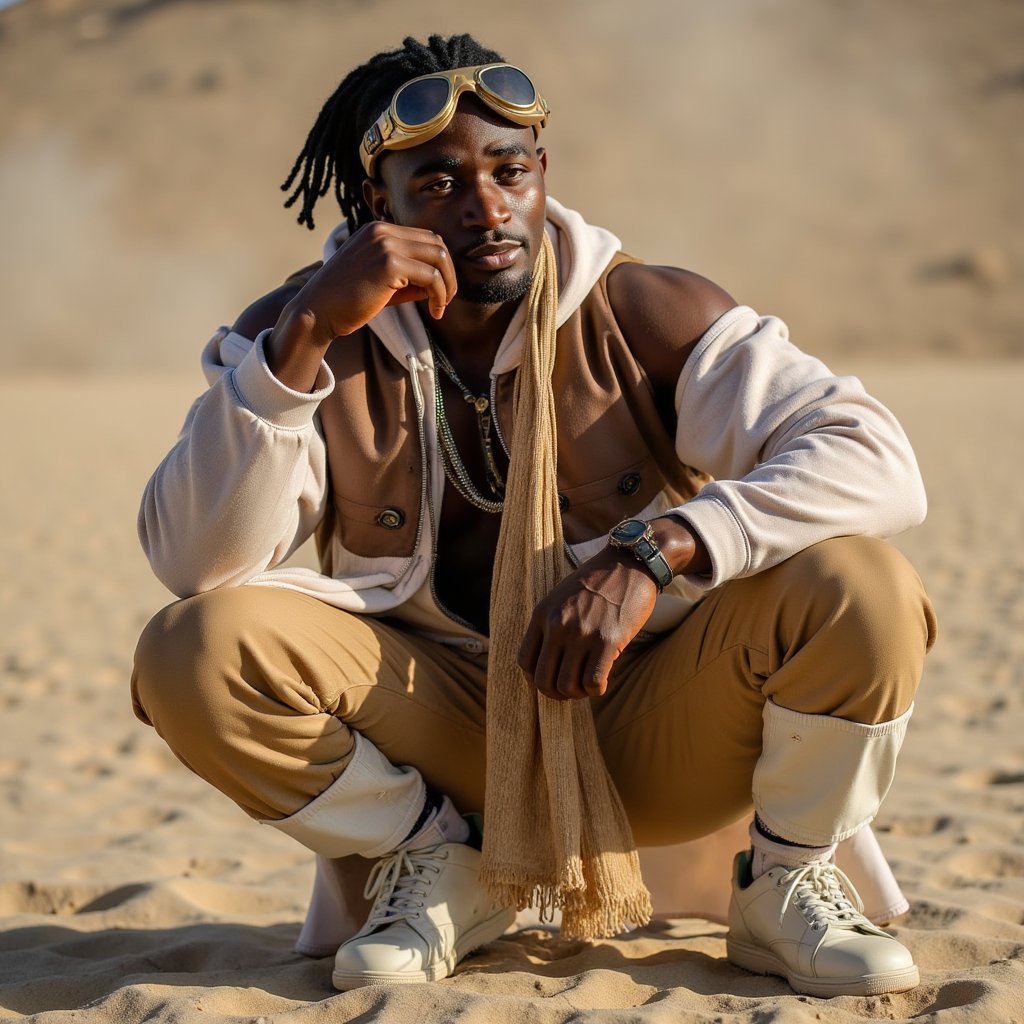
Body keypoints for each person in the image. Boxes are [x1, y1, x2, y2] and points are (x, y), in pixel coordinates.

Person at [131, 32, 937, 999]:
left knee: (863, 586)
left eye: (509, 172)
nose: (486, 208)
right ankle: (436, 860)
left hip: (648, 724)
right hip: (445, 744)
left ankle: (782, 881)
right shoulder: (304, 332)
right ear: (377, 204)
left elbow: (876, 457)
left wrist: (657, 549)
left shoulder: (645, 311)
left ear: (543, 172)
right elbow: (196, 562)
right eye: (438, 184)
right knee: (191, 649)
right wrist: (303, 336)